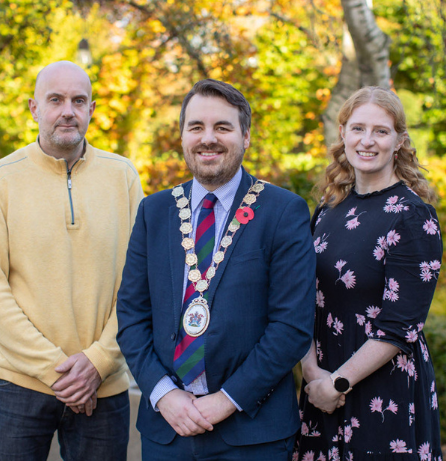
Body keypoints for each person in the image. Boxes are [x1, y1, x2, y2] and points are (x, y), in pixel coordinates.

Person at [116, 79, 316, 461]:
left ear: (246, 136)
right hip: (167, 431)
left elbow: (291, 327)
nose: (208, 138)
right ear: (183, 137)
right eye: (196, 127)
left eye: (222, 127)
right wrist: (164, 394)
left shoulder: (283, 211)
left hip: (252, 434)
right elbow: (131, 316)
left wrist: (226, 400)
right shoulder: (154, 213)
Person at [0, 61, 143, 461]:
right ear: (33, 108)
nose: (68, 110)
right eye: (56, 100)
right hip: (17, 383)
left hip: (104, 385)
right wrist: (60, 372)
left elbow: (139, 284)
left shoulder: (124, 176)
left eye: (78, 101)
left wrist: (97, 362)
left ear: (92, 109)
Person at [295, 86, 444, 460]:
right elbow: (302, 297)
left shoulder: (411, 216)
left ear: (399, 142)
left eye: (381, 131)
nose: (368, 141)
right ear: (343, 133)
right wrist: (313, 375)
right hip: (322, 380)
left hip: (381, 390)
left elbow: (402, 325)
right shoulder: (329, 209)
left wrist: (338, 383)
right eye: (358, 128)